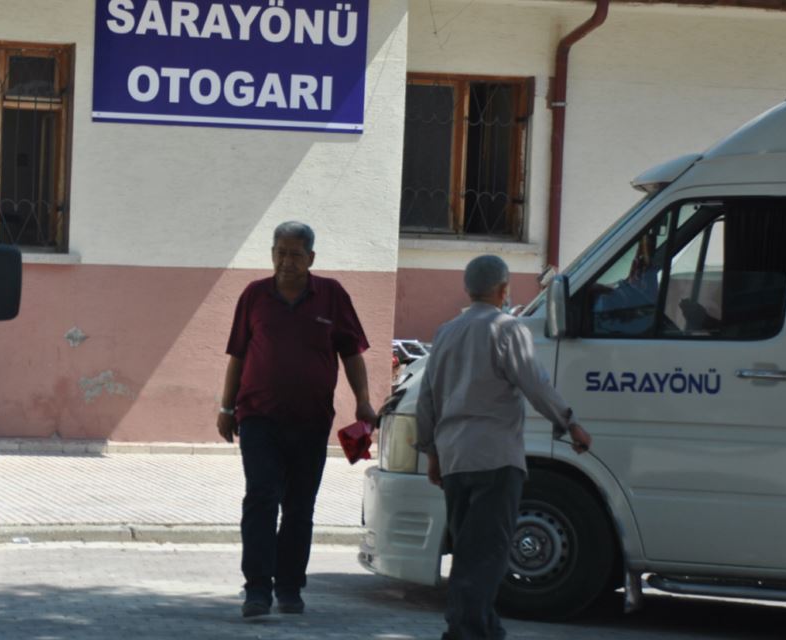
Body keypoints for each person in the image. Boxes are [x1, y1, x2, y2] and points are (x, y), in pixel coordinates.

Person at [415, 255, 593, 640]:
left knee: (467, 550)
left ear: (467, 288)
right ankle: (468, 630)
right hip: (496, 459)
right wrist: (569, 422)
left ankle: (483, 627)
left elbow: (427, 399)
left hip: (455, 459)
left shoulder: (445, 332)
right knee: (490, 553)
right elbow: (534, 383)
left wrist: (430, 452)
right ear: (503, 288)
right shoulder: (507, 329)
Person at [217, 220, 376, 618]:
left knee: (300, 506)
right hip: (258, 418)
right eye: (280, 253)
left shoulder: (332, 296)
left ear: (311, 259)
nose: (287, 262)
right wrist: (225, 408)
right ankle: (256, 590)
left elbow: (351, 353)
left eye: (295, 255)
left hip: (310, 420)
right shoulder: (254, 295)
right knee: (261, 498)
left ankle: (289, 588)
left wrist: (363, 402)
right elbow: (238, 355)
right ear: (272, 254)